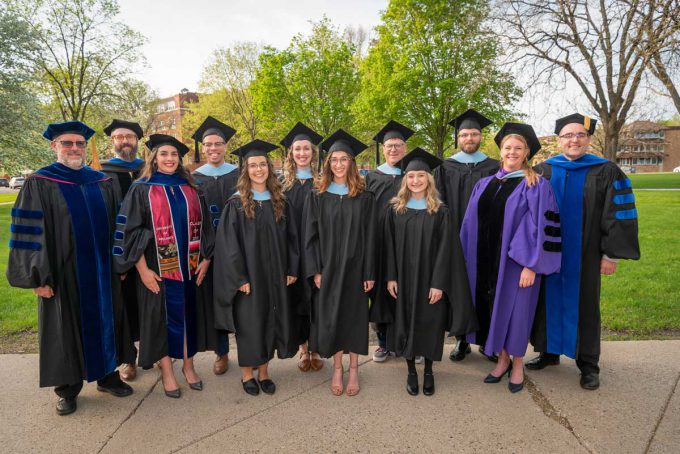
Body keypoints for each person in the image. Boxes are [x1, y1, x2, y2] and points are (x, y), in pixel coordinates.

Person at [7, 120, 134, 415]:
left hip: (103, 272)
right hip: (63, 275)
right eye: (67, 143)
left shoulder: (100, 181)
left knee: (108, 322)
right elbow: (29, 233)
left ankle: (107, 376)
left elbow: (119, 226)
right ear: (54, 147)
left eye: (78, 143)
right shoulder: (41, 183)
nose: (74, 148)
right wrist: (38, 277)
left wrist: (120, 262)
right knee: (65, 329)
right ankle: (68, 389)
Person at [528, 114, 640, 390]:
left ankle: (588, 363)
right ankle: (549, 352)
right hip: (548, 255)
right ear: (558, 140)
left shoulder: (606, 171)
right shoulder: (544, 170)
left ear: (588, 139)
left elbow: (618, 215)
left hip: (586, 256)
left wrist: (610, 254)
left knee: (586, 307)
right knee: (546, 301)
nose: (574, 140)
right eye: (568, 135)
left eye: (579, 135)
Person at [460, 123, 562, 393]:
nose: (512, 152)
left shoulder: (536, 185)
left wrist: (531, 265)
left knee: (517, 313)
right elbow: (470, 223)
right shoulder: (484, 184)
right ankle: (502, 358)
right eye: (507, 147)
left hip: (517, 264)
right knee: (494, 310)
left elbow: (541, 227)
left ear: (527, 152)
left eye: (518, 148)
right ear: (500, 150)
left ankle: (517, 363)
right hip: (485, 264)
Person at [112, 134, 214, 398]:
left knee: (189, 316)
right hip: (157, 270)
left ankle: (189, 366)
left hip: (190, 268)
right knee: (160, 321)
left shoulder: (192, 187)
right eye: (164, 154)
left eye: (173, 155)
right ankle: (168, 371)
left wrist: (205, 259)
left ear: (179, 159)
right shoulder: (142, 188)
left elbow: (206, 228)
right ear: (154, 158)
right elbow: (131, 232)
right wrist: (142, 270)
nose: (169, 159)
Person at [384, 148, 477, 397]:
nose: (416, 180)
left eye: (421, 176)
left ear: (429, 179)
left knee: (430, 324)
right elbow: (388, 246)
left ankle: (428, 370)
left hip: (429, 280)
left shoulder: (440, 211)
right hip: (403, 279)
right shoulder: (395, 210)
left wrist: (438, 283)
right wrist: (391, 276)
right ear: (405, 179)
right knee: (405, 322)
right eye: (411, 176)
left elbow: (447, 251)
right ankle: (411, 370)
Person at [213, 139, 300, 396]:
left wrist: (292, 268)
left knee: (270, 322)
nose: (259, 169)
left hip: (275, 274)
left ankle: (264, 373)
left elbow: (292, 238)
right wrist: (239, 277)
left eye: (263, 164)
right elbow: (229, 245)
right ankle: (247, 375)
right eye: (253, 165)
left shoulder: (279, 201)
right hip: (249, 276)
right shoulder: (237, 204)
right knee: (250, 324)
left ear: (269, 169)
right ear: (246, 170)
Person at [303, 129, 376, 397]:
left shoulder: (365, 196)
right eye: (334, 160)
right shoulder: (318, 196)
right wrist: (316, 270)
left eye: (344, 159)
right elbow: (309, 237)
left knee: (355, 319)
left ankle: (354, 368)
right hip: (329, 269)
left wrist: (369, 271)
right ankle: (336, 368)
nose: (339, 164)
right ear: (328, 163)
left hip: (357, 269)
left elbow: (370, 237)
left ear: (352, 163)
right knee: (332, 318)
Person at [434, 108, 500, 362]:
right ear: (457, 138)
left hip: (488, 239)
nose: (469, 138)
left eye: (474, 134)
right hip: (456, 239)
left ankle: (487, 342)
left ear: (481, 137)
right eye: (464, 134)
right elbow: (438, 203)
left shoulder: (495, 167)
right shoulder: (445, 167)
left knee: (486, 288)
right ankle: (462, 340)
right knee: (460, 289)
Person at [365, 120, 416, 364]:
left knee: (408, 292)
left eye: (397, 145)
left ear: (405, 147)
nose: (393, 149)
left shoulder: (414, 175)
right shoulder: (373, 176)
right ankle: (384, 342)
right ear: (383, 149)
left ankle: (409, 342)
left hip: (408, 245)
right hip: (380, 245)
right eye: (388, 146)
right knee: (381, 295)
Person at [191, 116, 238, 376]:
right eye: (208, 145)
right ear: (203, 148)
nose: (212, 149)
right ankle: (222, 352)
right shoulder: (195, 178)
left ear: (225, 146)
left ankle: (249, 348)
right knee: (215, 300)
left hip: (239, 249)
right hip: (210, 250)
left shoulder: (238, 173)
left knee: (244, 299)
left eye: (217, 144)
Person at [101, 119, 146, 381]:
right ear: (113, 141)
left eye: (129, 136)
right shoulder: (103, 174)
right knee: (125, 306)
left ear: (137, 140)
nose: (124, 141)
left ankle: (158, 352)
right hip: (119, 250)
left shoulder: (147, 170)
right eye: (119, 137)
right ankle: (129, 359)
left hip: (151, 249)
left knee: (152, 303)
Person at [279, 122, 325, 373]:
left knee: (317, 299)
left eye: (306, 148)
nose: (302, 153)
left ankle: (316, 347)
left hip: (317, 250)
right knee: (296, 299)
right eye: (297, 149)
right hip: (292, 250)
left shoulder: (323, 183)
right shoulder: (282, 184)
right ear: (291, 153)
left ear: (313, 153)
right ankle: (303, 348)